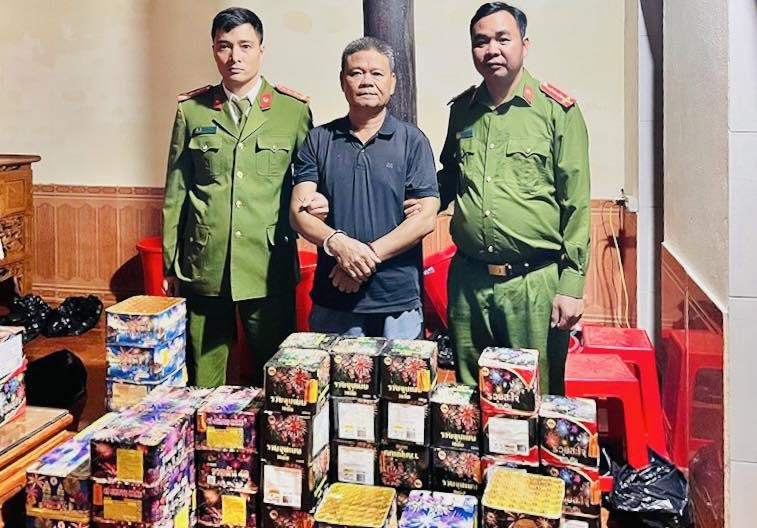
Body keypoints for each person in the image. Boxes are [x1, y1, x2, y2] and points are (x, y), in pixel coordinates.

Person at [435, 2, 591, 391]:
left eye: (503, 39)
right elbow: (449, 179)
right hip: (469, 283)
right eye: (481, 41)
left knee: (536, 395)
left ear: (525, 44)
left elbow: (576, 203)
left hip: (532, 284)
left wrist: (571, 286)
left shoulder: (557, 112)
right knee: (472, 397)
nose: (492, 50)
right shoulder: (462, 111)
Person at [162, 7, 312, 387]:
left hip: (268, 263)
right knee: (203, 375)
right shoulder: (192, 111)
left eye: (245, 46)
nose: (235, 57)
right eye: (224, 46)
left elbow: (309, 183)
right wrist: (170, 262)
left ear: (262, 50)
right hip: (205, 262)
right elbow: (177, 191)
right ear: (214, 51)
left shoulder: (292, 111)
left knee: (276, 374)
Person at [290, 37, 440, 339]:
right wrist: (338, 244)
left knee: (400, 374)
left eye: (376, 73)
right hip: (334, 296)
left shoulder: (413, 141)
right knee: (334, 372)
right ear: (342, 81)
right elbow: (298, 213)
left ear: (392, 82)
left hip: (397, 299)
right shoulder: (319, 139)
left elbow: (425, 218)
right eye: (356, 73)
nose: (366, 81)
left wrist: (362, 257)